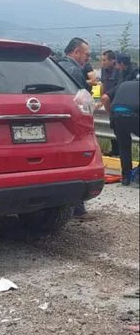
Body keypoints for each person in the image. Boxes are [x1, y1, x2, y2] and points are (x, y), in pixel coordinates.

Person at [57, 38, 95, 219]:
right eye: (86, 54)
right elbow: (81, 100)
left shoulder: (54, 66)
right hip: (71, 124)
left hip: (57, 124)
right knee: (75, 162)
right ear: (76, 52)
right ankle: (77, 208)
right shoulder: (74, 71)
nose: (87, 59)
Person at [101, 74, 139, 186]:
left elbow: (104, 98)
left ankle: (126, 178)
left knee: (124, 147)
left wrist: (111, 115)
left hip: (117, 116)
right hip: (134, 116)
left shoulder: (123, 84)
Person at [99, 50, 121, 157]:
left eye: (105, 60)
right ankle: (115, 150)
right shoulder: (104, 70)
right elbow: (103, 84)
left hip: (117, 102)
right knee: (111, 126)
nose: (102, 62)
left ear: (113, 60)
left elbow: (120, 88)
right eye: (102, 60)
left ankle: (119, 151)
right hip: (107, 102)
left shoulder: (118, 71)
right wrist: (101, 100)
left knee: (118, 127)